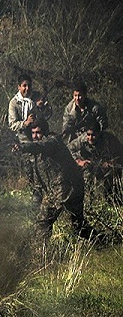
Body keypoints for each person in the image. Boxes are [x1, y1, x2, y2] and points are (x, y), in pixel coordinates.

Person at [12, 118, 99, 243]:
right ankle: (102, 241)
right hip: (65, 189)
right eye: (33, 133)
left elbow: (41, 145)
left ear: (46, 132)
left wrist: (23, 147)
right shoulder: (38, 152)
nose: (36, 136)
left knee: (43, 223)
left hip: (66, 188)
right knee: (78, 226)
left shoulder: (53, 141)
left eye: (39, 132)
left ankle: (40, 256)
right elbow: (39, 178)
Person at [7, 74, 52, 205]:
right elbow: (12, 125)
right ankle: (34, 196)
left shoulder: (33, 100)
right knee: (30, 168)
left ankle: (42, 193)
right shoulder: (14, 103)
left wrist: (42, 109)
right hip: (23, 140)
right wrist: (25, 123)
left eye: (29, 86)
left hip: (36, 138)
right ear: (19, 87)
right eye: (24, 86)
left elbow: (42, 118)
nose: (27, 88)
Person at [68, 123, 123, 204]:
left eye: (93, 135)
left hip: (107, 166)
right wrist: (79, 161)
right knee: (87, 178)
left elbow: (120, 153)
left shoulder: (109, 139)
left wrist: (111, 162)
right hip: (90, 165)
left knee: (112, 177)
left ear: (99, 133)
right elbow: (68, 148)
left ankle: (112, 200)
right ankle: (89, 202)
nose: (90, 138)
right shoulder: (82, 139)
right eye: (88, 134)